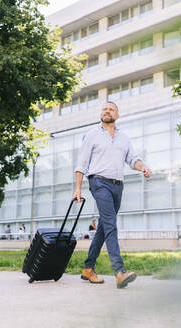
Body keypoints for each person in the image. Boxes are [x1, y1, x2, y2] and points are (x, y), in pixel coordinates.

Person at [73, 101, 151, 289]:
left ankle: (88, 268)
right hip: (98, 182)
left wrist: (143, 168)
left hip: (118, 185)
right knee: (110, 224)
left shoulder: (124, 138)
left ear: (117, 116)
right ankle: (119, 271)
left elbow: (133, 159)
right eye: (104, 109)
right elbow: (81, 163)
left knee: (104, 227)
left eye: (111, 109)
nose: (107, 111)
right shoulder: (91, 135)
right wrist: (77, 188)